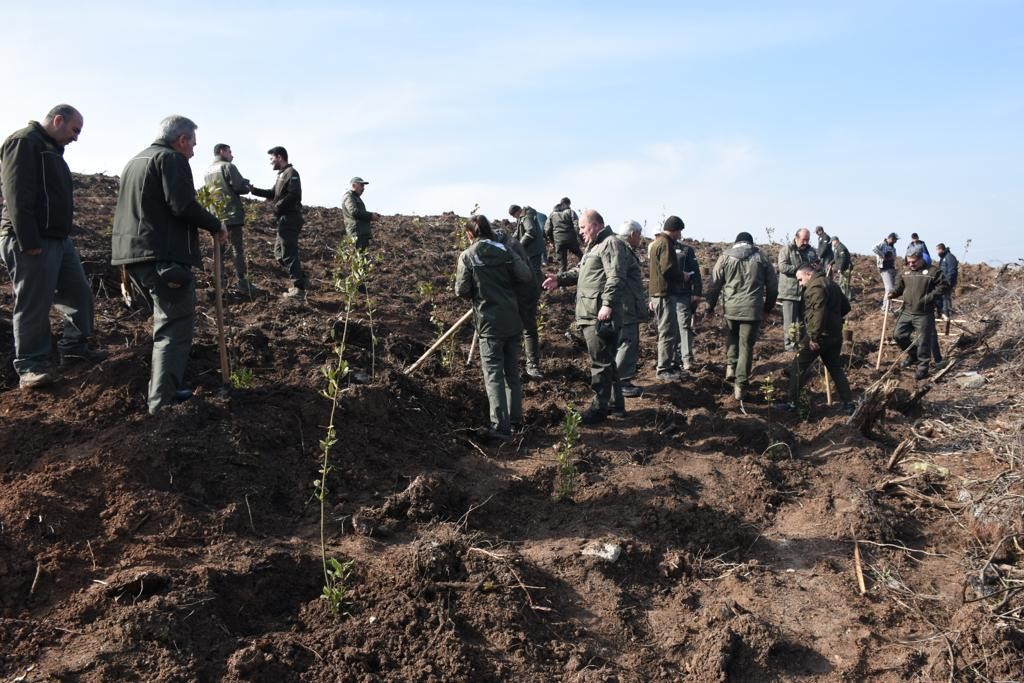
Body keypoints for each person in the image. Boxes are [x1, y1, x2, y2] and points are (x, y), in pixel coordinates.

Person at [111, 115, 227, 414]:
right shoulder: (171, 159)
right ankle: (162, 403)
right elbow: (182, 205)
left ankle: (165, 391)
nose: (193, 151)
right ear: (182, 140)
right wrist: (216, 225)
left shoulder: (136, 161)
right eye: (192, 145)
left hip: (134, 256)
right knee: (174, 327)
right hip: (162, 258)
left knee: (165, 323)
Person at [0, 104, 106, 389]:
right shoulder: (24, 142)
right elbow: (16, 193)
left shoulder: (51, 150)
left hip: (58, 239)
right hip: (32, 239)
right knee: (34, 303)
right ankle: (30, 367)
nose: (76, 137)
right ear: (58, 120)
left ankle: (73, 349)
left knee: (78, 293)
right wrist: (28, 239)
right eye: (75, 130)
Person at [542, 209, 629, 424]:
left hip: (597, 314)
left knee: (600, 363)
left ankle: (599, 409)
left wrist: (607, 304)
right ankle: (616, 406)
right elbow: (579, 271)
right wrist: (559, 279)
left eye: (582, 227)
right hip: (591, 312)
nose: (580, 232)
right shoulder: (594, 246)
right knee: (607, 361)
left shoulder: (610, 243)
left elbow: (615, 276)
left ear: (597, 225)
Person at [455, 214, 532, 440]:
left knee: (493, 375)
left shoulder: (467, 256)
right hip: (511, 319)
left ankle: (500, 427)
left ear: (470, 234)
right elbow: (525, 276)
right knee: (512, 372)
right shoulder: (505, 251)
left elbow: (461, 290)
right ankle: (516, 420)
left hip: (489, 324)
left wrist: (480, 290)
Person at [704, 232, 778, 400]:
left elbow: (714, 285)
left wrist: (709, 307)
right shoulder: (761, 258)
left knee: (731, 335)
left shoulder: (724, 257)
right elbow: (773, 286)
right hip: (752, 309)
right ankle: (740, 384)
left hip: (731, 308)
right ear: (751, 243)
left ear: (736, 242)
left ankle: (731, 366)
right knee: (746, 346)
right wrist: (768, 308)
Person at [785, 264, 855, 414]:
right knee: (835, 369)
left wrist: (814, 337)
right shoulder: (831, 283)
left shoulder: (815, 287)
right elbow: (846, 307)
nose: (800, 283)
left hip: (819, 336)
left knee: (797, 366)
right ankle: (848, 404)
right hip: (835, 335)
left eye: (800, 279)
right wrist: (834, 319)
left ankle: (792, 405)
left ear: (809, 275)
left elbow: (818, 312)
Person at [648, 215, 702, 378]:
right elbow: (667, 269)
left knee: (673, 330)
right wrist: (683, 276)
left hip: (665, 293)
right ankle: (664, 369)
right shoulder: (665, 244)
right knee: (667, 332)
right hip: (664, 293)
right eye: (679, 231)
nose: (680, 235)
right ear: (675, 230)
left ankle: (673, 364)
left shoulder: (658, 244)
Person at [250, 146, 306, 298]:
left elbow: (294, 195)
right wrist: (253, 189)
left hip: (290, 217)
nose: (270, 162)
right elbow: (272, 193)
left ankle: (299, 288)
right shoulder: (282, 175)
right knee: (279, 254)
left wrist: (277, 207)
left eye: (272, 158)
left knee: (288, 253)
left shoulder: (291, 173)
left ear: (279, 157)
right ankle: (300, 278)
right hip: (283, 219)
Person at [888, 245, 949, 380]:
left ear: (921, 259)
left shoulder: (933, 272)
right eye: (908, 262)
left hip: (924, 313)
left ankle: (923, 368)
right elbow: (899, 287)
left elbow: (944, 286)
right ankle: (913, 354)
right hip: (907, 311)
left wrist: (928, 298)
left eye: (913, 262)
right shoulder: (905, 272)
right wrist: (892, 293)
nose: (911, 264)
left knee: (923, 341)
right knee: (898, 335)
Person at [203, 143, 254, 292]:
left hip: (216, 217)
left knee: (218, 250)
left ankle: (220, 284)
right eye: (230, 152)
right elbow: (238, 186)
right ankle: (243, 282)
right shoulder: (228, 167)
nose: (232, 155)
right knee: (237, 248)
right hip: (232, 215)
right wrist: (247, 185)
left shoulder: (207, 171)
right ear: (222, 151)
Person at [509, 203, 545, 378]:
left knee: (527, 327)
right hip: (518, 294)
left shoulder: (528, 217)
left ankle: (531, 365)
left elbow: (530, 233)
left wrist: (519, 246)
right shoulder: (521, 219)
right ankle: (520, 365)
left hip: (526, 291)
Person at [613, 220, 647, 397]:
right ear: (633, 234)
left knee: (624, 342)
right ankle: (621, 382)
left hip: (624, 304)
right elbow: (617, 277)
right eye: (639, 235)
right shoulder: (622, 250)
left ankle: (619, 381)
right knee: (628, 342)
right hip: (625, 306)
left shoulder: (619, 247)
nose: (640, 238)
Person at [777, 228, 819, 350]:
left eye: (808, 240)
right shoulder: (787, 249)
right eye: (803, 240)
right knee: (789, 321)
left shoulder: (810, 251)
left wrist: (816, 266)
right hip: (789, 292)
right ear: (796, 238)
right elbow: (782, 266)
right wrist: (800, 269)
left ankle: (802, 343)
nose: (806, 243)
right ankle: (790, 345)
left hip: (805, 292)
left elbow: (815, 264)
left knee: (803, 320)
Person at [544, 197, 582, 272]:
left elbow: (547, 229)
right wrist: (580, 237)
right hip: (571, 240)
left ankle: (562, 280)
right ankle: (580, 272)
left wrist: (552, 239)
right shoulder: (571, 212)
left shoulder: (552, 214)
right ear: (568, 203)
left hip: (558, 241)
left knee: (562, 265)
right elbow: (576, 226)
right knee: (580, 256)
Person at [342, 176, 379, 250]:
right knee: (359, 257)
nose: (363, 188)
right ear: (354, 185)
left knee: (362, 258)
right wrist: (371, 216)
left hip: (361, 234)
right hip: (356, 234)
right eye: (361, 185)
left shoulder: (356, 197)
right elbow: (354, 212)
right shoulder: (348, 196)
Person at [873, 232, 899, 307]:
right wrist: (883, 255)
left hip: (891, 268)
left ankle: (886, 307)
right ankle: (886, 308)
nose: (895, 241)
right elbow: (874, 248)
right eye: (894, 239)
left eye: (896, 240)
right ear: (890, 238)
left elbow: (894, 257)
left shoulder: (893, 248)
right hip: (885, 269)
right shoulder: (882, 244)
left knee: (890, 289)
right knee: (890, 289)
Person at [936, 242, 959, 318]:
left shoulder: (949, 257)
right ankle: (941, 313)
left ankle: (947, 314)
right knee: (940, 297)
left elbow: (952, 270)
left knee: (945, 297)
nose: (937, 252)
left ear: (941, 249)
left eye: (937, 250)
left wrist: (949, 280)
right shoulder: (943, 258)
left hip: (948, 281)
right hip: (942, 281)